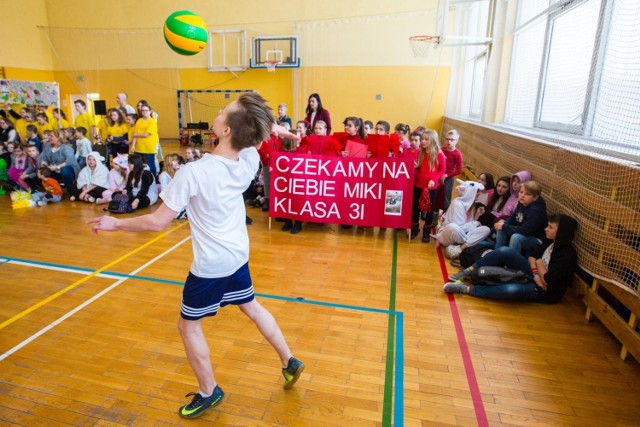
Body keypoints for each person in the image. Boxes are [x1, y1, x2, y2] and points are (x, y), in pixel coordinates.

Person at [88, 92, 304, 419]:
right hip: (237, 255)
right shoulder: (247, 160)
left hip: (211, 267)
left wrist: (115, 224)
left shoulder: (194, 173)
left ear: (227, 130)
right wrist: (280, 131)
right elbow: (258, 132)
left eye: (222, 112)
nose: (217, 114)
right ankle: (289, 361)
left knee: (188, 327)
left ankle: (208, 390)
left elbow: (158, 221)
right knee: (251, 305)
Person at [444, 214, 578, 304]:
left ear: (561, 232)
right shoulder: (550, 242)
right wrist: (536, 270)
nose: (546, 229)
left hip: (545, 291)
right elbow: (532, 256)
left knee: (510, 289)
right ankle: (467, 271)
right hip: (536, 275)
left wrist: (538, 263)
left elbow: (547, 279)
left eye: (550, 227)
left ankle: (466, 290)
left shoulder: (567, 255)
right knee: (504, 251)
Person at [434, 179, 491, 259]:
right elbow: (460, 228)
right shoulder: (458, 204)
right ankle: (467, 244)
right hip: (451, 233)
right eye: (476, 191)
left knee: (486, 229)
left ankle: (459, 249)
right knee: (453, 227)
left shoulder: (473, 205)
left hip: (462, 236)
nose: (478, 194)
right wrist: (476, 223)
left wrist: (477, 216)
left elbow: (467, 227)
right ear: (470, 192)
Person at [495, 180, 548, 255]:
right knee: (501, 225)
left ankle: (511, 262)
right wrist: (504, 224)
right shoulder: (522, 202)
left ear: (535, 197)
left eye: (527, 194)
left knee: (516, 237)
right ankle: (497, 254)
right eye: (521, 192)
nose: (522, 196)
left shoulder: (536, 210)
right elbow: (513, 217)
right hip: (523, 233)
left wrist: (504, 227)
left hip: (536, 239)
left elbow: (526, 231)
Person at [411, 129, 446, 241]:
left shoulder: (439, 154)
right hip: (418, 184)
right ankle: (414, 228)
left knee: (429, 209)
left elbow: (442, 170)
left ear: (432, 140)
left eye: (426, 139)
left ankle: (427, 231)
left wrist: (434, 179)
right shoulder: (420, 152)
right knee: (415, 207)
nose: (423, 141)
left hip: (430, 186)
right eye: (422, 139)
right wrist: (417, 166)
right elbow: (422, 167)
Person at [438, 130, 463, 213]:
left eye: (452, 140)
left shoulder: (457, 154)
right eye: (447, 139)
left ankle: (445, 217)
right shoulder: (442, 150)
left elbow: (459, 170)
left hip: (448, 178)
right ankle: (433, 219)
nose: (449, 142)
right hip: (438, 176)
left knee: (446, 199)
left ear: (457, 141)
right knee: (436, 197)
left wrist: (446, 175)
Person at [131, 103, 159, 177]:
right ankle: (138, 179)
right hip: (138, 147)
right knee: (137, 165)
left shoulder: (152, 121)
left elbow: (146, 134)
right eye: (142, 110)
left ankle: (154, 179)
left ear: (150, 111)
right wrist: (133, 146)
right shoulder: (139, 121)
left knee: (150, 165)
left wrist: (136, 135)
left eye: (146, 110)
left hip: (149, 148)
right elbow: (134, 134)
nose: (144, 112)